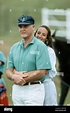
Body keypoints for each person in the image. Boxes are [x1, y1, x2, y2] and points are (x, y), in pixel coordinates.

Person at [6, 15, 52, 106]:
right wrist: (14, 77)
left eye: (25, 26)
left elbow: (42, 71)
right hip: (17, 90)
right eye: (20, 26)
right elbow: (8, 71)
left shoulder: (40, 46)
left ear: (33, 27)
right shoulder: (14, 47)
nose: (22, 29)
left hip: (34, 90)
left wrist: (21, 78)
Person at [34, 25, 58, 106]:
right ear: (35, 34)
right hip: (33, 86)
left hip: (46, 85)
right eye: (38, 33)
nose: (40, 36)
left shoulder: (49, 51)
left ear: (47, 38)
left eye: (43, 35)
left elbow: (45, 70)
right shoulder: (29, 50)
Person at [52, 31, 70, 106]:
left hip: (66, 75)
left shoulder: (58, 47)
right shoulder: (62, 46)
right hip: (66, 75)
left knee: (62, 98)